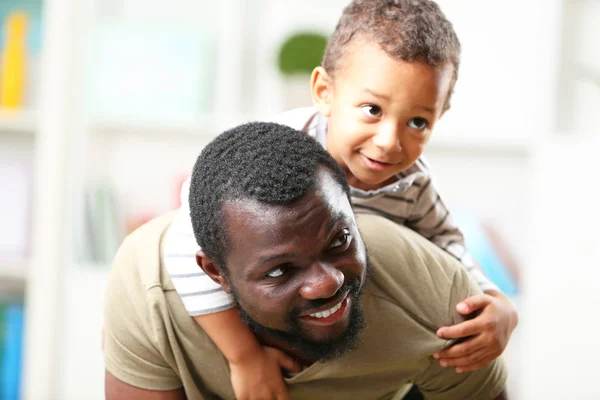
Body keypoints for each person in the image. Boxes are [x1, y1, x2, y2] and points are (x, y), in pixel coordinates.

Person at [163, 0, 518, 398]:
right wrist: (244, 357)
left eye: (417, 121)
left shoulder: (412, 184)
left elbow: (448, 244)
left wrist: (495, 299)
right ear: (324, 92)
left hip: (363, 341)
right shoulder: (277, 149)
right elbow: (181, 248)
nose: (389, 141)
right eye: (372, 110)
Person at [104, 122, 509, 399]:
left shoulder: (433, 294)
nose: (326, 283)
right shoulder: (150, 290)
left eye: (339, 241)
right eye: (280, 270)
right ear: (214, 273)